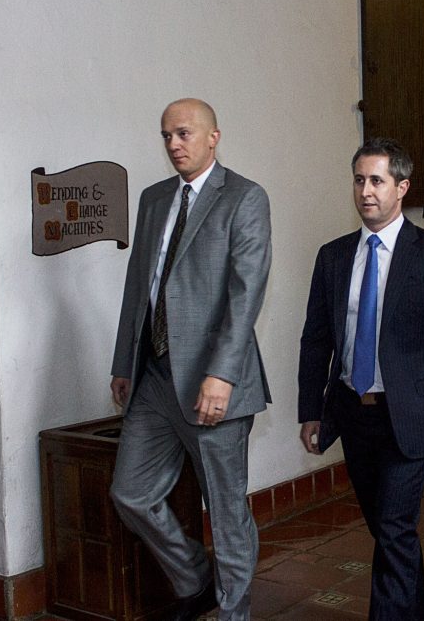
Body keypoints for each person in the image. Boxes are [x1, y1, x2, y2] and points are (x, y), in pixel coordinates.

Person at [297, 137, 424, 620]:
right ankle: (413, 608)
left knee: (397, 527)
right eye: (359, 180)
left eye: (377, 181)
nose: (366, 191)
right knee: (387, 528)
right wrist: (310, 413)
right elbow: (316, 339)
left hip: (413, 415)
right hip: (354, 413)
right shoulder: (334, 257)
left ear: (402, 187)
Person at [109, 98, 272, 621]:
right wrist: (123, 363)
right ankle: (196, 579)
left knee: (225, 513)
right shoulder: (155, 199)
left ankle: (233, 612)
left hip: (211, 382)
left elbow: (245, 295)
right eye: (166, 136)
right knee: (130, 493)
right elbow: (140, 285)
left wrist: (221, 374)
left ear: (212, 137)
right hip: (154, 377)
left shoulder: (244, 198)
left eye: (183, 134)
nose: (174, 145)